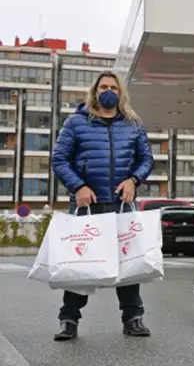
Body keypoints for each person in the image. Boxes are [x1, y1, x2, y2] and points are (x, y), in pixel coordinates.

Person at [51, 71, 154, 341]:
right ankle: (69, 320)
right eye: (104, 86)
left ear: (121, 93)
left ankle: (133, 317)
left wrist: (133, 180)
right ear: (95, 91)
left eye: (114, 87)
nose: (109, 91)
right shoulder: (76, 122)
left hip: (122, 205)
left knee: (128, 263)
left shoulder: (133, 124)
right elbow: (60, 159)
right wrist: (78, 187)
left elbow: (146, 160)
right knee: (81, 264)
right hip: (88, 205)